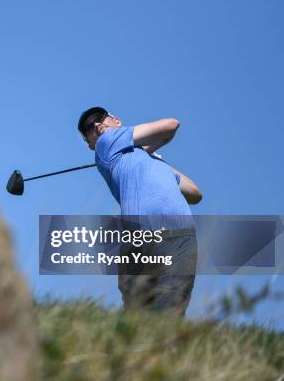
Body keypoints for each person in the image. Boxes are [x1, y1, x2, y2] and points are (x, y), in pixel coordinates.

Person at [78, 106, 203, 316]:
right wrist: (149, 149)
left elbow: (195, 193)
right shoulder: (106, 144)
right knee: (141, 317)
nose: (97, 125)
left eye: (100, 119)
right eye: (89, 128)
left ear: (116, 120)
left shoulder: (154, 162)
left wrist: (151, 157)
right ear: (91, 144)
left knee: (167, 314)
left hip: (179, 237)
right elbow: (170, 125)